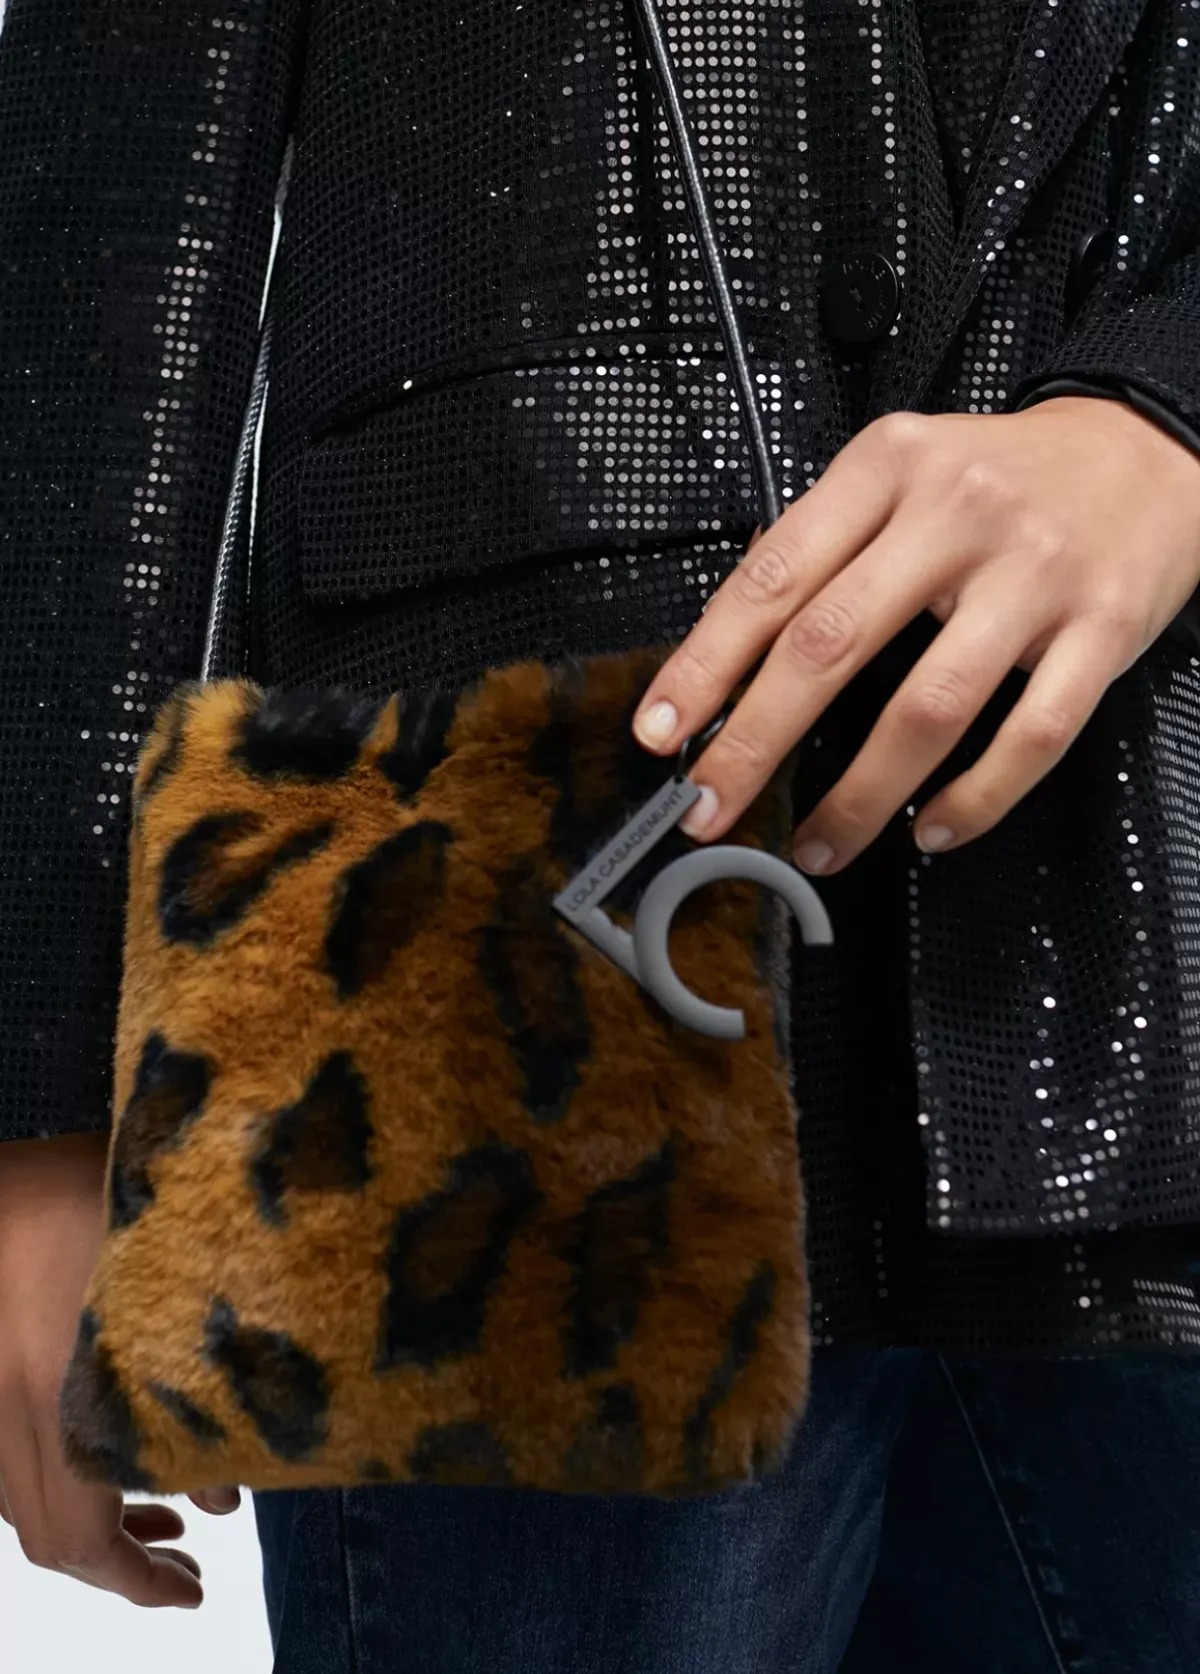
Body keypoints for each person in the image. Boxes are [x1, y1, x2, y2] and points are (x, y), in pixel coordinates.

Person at [3, 0, 1200, 1668]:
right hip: (525, 901)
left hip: (1136, 874)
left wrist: (1169, 412)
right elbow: (115, 215)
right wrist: (41, 1107)